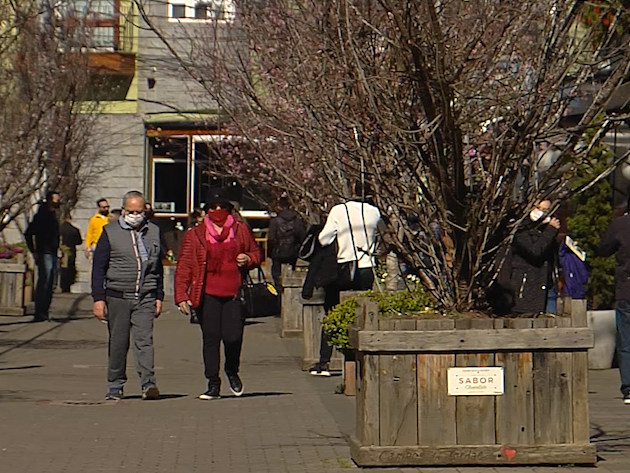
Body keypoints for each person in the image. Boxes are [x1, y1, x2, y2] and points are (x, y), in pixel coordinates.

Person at [174, 188, 261, 400]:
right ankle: (213, 383)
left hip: (233, 292)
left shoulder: (240, 230)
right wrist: (181, 295)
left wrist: (248, 259)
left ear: (230, 209)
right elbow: (185, 264)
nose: (218, 210)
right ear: (206, 210)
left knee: (233, 337)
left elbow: (256, 254)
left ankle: (232, 370)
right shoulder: (195, 234)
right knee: (211, 338)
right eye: (213, 207)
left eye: (222, 206)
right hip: (207, 293)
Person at [91, 190, 164, 401]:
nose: (135, 215)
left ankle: (148, 383)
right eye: (130, 211)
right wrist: (98, 298)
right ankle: (115, 385)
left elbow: (157, 267)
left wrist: (159, 295)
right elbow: (99, 268)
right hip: (118, 295)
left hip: (146, 296)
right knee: (118, 342)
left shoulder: (154, 232)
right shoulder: (110, 231)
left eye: (138, 211)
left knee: (144, 341)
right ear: (123, 210)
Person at [309, 182, 381, 376]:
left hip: (343, 268)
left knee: (332, 312)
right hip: (367, 268)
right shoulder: (375, 212)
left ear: (352, 191)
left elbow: (324, 238)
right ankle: (360, 361)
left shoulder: (339, 210)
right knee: (362, 312)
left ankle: (324, 361)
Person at [597, 203, 630, 404]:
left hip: (626, 289)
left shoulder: (621, 224)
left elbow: (603, 249)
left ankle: (629, 388)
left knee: (626, 339)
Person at [510, 199, 560, 314]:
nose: (541, 212)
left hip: (546, 286)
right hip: (526, 286)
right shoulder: (521, 229)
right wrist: (550, 230)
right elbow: (534, 252)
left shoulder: (545, 229)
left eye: (545, 210)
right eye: (538, 208)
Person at [25, 190, 61, 322]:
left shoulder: (53, 215)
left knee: (50, 282)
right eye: (56, 199)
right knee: (44, 282)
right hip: (44, 251)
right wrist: (34, 250)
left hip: (52, 252)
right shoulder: (42, 215)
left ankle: (44, 311)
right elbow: (29, 233)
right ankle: (39, 312)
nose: (59, 202)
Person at [268, 197, 307, 294]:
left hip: (278, 252)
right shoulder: (297, 221)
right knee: (293, 276)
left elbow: (271, 238)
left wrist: (270, 252)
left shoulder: (275, 221)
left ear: (278, 207)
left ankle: (279, 294)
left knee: (277, 276)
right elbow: (302, 237)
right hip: (293, 253)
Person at [59, 214, 83, 293]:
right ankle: (67, 286)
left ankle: (60, 285)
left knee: (61, 268)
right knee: (70, 267)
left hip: (60, 250)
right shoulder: (74, 230)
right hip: (71, 250)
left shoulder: (59, 229)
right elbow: (79, 241)